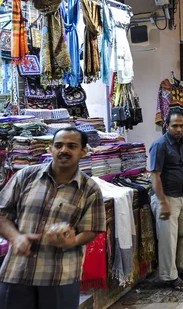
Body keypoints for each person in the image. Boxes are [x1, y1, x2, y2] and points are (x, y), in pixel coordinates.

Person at [0, 127, 106, 309]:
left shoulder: (89, 189)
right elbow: (2, 214)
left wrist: (73, 240)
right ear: (51, 149)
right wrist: (15, 237)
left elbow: (92, 229)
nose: (64, 150)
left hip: (60, 276)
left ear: (83, 151)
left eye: (71, 146)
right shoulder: (26, 176)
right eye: (59, 145)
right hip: (17, 272)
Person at [149, 109, 183, 292]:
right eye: (175, 126)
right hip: (166, 196)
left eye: (181, 125)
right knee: (168, 238)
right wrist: (162, 202)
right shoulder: (160, 145)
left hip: (182, 194)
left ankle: (182, 267)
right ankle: (170, 277)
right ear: (167, 126)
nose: (179, 129)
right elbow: (155, 176)